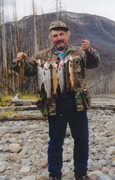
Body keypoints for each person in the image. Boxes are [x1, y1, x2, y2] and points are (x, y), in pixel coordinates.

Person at [11, 21, 100, 180]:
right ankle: (54, 174)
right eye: (55, 36)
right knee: (55, 142)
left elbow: (94, 63)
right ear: (51, 38)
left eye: (61, 34)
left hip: (77, 103)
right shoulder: (42, 56)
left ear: (67, 35)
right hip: (54, 104)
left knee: (81, 140)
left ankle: (81, 174)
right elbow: (28, 71)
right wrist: (20, 61)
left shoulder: (79, 52)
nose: (58, 38)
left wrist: (90, 50)